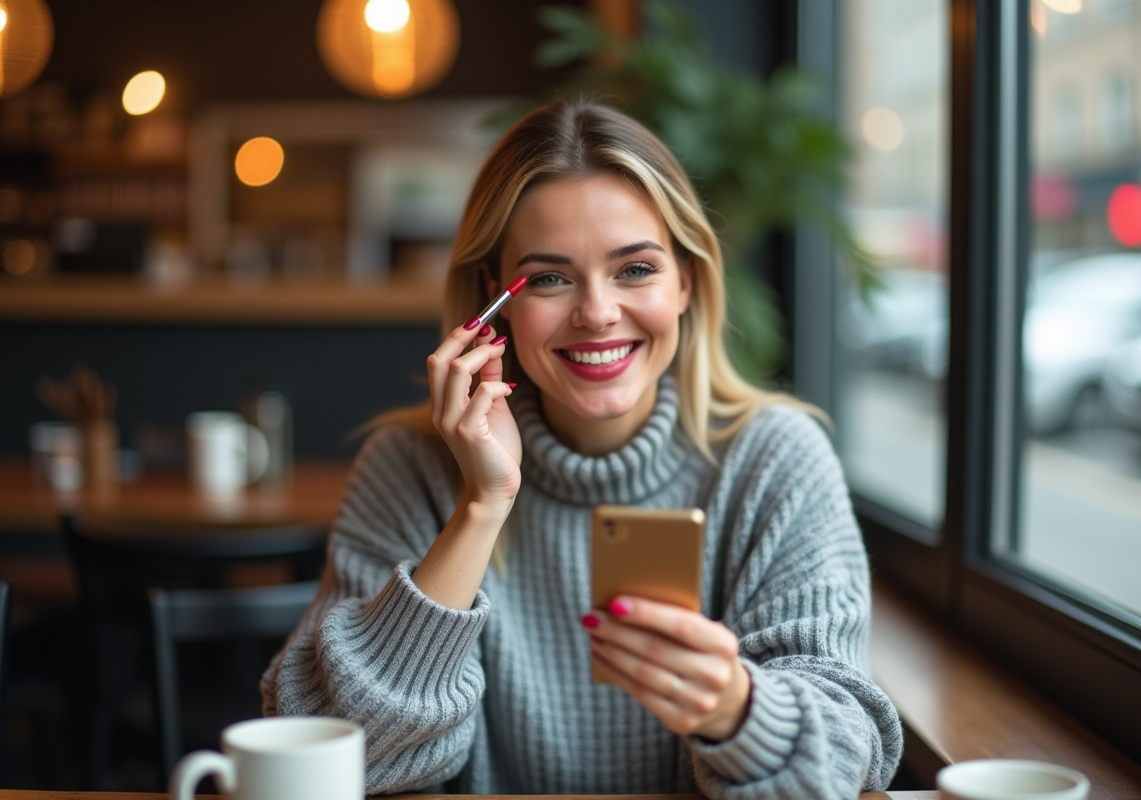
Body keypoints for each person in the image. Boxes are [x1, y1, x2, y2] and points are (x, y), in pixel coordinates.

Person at [261, 99, 902, 797]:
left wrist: (735, 710)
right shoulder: (407, 466)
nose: (597, 311)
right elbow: (331, 748)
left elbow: (846, 755)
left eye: (636, 270)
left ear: (685, 281)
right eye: (548, 278)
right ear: (491, 301)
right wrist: (482, 504)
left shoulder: (775, 460)